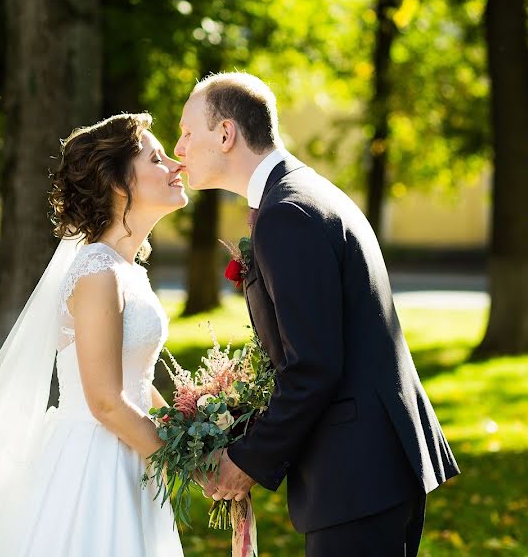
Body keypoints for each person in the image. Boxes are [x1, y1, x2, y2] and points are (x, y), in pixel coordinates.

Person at [175, 72, 460, 557]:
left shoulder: (288, 213)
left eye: (186, 133)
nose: (178, 148)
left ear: (225, 134)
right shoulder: (300, 195)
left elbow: (314, 364)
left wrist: (247, 459)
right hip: (372, 468)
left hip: (357, 474)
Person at [0, 113, 188, 556]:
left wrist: (190, 429)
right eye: (157, 158)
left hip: (129, 454)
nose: (175, 165)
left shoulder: (125, 269)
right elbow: (106, 401)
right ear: (118, 181)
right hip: (96, 463)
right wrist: (183, 461)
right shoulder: (97, 272)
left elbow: (136, 380)